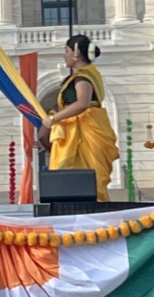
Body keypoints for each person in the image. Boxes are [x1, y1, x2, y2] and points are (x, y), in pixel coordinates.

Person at [41, 35, 119, 202]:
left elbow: (82, 103)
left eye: (66, 51)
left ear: (76, 53)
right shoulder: (90, 74)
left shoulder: (83, 77)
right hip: (81, 129)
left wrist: (53, 119)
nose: (64, 55)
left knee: (77, 174)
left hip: (82, 131)